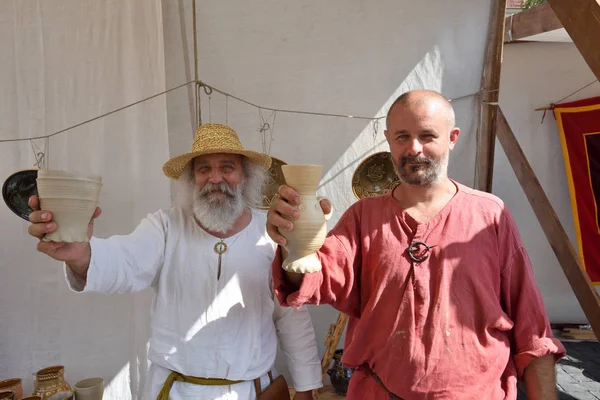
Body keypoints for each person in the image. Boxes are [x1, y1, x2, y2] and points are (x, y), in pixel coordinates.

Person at [266, 90, 566, 400]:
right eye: (402, 137)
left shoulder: (490, 216)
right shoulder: (363, 217)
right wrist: (292, 240)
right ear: (388, 140)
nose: (414, 148)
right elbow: (313, 278)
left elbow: (533, 331)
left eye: (427, 136)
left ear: (452, 137)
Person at [28, 123, 322, 400]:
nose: (215, 178)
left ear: (245, 176)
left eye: (227, 168)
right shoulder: (165, 227)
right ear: (191, 179)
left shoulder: (270, 233)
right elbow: (126, 261)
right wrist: (82, 254)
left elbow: (292, 316)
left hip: (252, 391)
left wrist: (307, 386)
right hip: (177, 391)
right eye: (203, 169)